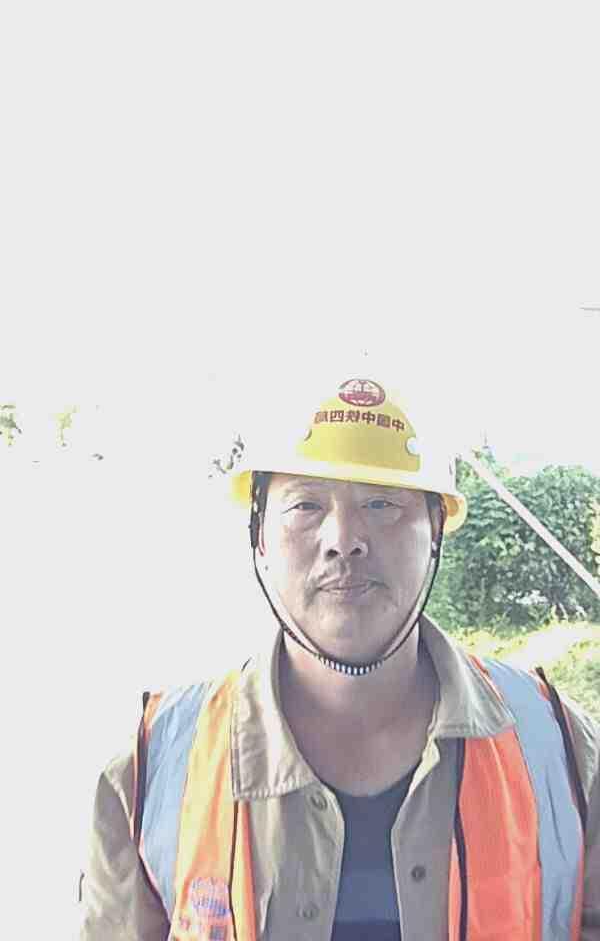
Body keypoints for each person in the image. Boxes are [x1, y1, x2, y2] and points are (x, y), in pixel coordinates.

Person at [80, 376, 600, 940]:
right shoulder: (152, 770)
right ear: (259, 535)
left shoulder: (563, 751)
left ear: (435, 531)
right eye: (306, 505)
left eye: (382, 503)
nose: (344, 539)